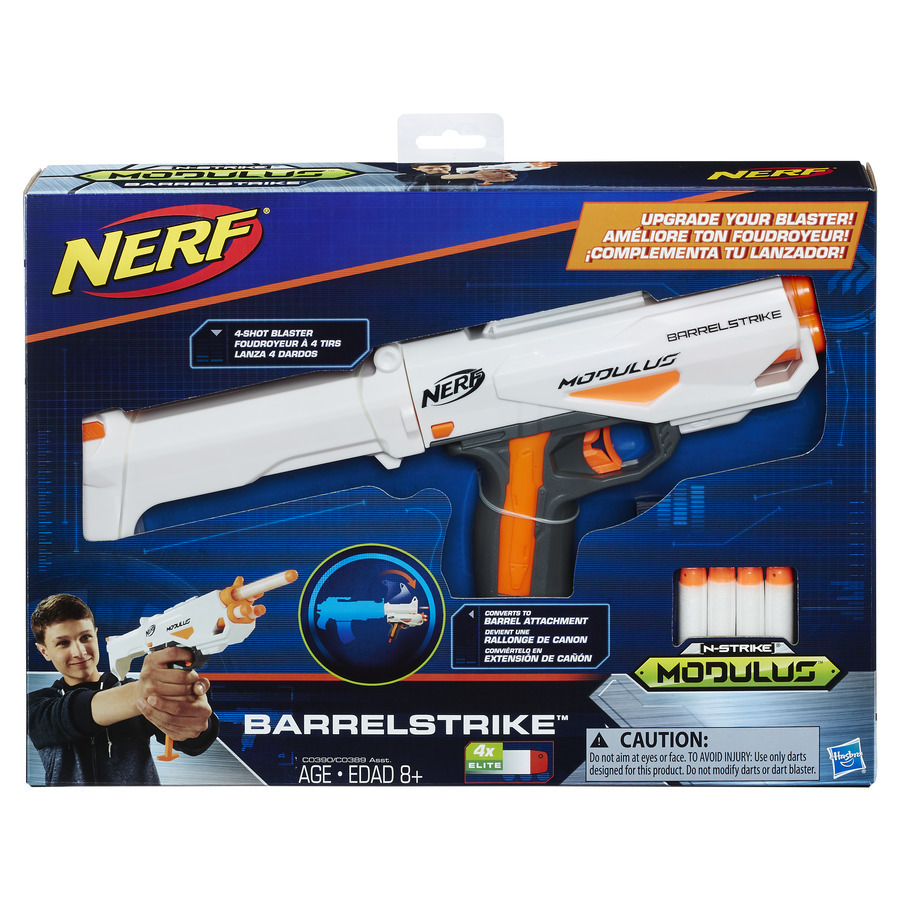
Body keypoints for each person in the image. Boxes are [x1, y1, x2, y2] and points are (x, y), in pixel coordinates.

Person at [28, 593, 219, 785]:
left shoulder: (132, 686)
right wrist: (144, 692)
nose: (80, 651)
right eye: (63, 643)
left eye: (85, 637)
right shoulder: (35, 707)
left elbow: (193, 743)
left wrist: (196, 716)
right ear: (44, 651)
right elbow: (75, 712)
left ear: (95, 634)